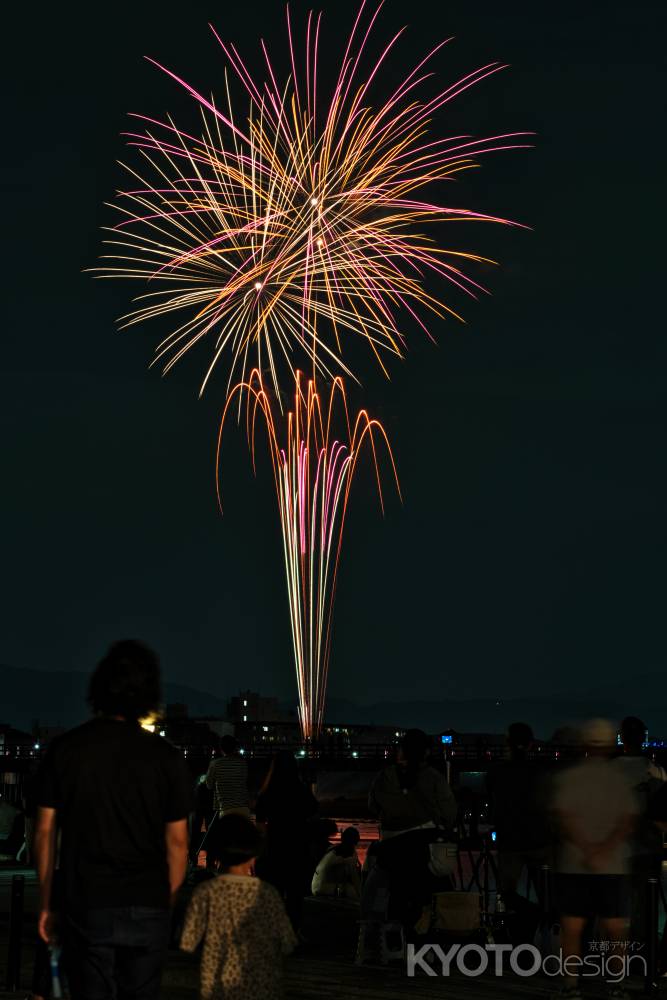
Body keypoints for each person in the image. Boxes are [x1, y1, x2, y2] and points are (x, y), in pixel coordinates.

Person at [34, 640, 192, 1000]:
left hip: (87, 900)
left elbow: (44, 833)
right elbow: (178, 843)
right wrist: (164, 900)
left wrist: (46, 903)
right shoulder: (166, 759)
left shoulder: (66, 750)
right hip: (148, 900)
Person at [550, 718, 638, 1000]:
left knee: (572, 929)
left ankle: (571, 986)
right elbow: (627, 821)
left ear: (585, 744)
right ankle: (616, 986)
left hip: (575, 864)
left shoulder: (569, 778)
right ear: (612, 745)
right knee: (615, 930)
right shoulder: (620, 780)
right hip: (612, 864)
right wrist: (604, 849)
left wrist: (587, 849)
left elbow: (565, 819)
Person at [180, 814, 297, 1000]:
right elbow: (287, 943)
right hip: (262, 988)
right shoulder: (267, 894)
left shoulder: (206, 893)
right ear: (253, 854)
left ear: (216, 853)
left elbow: (188, 943)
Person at [368, 729, 457, 933]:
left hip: (390, 846)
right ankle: (431, 935)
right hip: (424, 846)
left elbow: (373, 807)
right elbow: (449, 813)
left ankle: (393, 938)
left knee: (396, 892)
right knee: (432, 892)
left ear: (402, 751)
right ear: (426, 752)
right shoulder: (433, 777)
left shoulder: (386, 776)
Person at [612, 716, 667, 950]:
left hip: (615, 848)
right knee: (646, 904)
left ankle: (615, 951)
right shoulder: (656, 772)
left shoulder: (610, 771)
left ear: (621, 737)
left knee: (615, 905)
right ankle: (645, 950)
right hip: (648, 847)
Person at [486, 722, 552, 906]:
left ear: (508, 743)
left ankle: (506, 927)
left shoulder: (497, 771)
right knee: (546, 894)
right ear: (531, 743)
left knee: (505, 895)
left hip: (509, 840)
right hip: (538, 839)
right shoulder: (541, 771)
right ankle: (548, 927)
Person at [254, 751, 318, 929]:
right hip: (298, 846)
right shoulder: (301, 790)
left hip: (275, 846)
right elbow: (313, 813)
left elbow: (260, 823)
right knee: (295, 895)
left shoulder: (267, 793)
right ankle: (293, 931)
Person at [311, 826, 362, 900]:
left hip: (317, 885)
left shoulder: (334, 849)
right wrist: (360, 896)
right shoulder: (345, 854)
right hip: (322, 887)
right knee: (351, 891)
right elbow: (354, 877)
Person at [206, 736, 249, 818]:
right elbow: (244, 781)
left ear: (221, 748)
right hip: (244, 807)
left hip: (226, 808)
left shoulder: (215, 764)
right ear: (235, 748)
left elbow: (209, 785)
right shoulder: (242, 763)